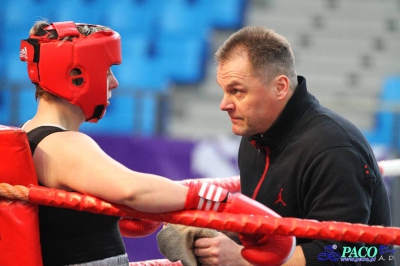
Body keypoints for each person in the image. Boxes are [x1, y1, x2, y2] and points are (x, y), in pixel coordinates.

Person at [18, 21, 296, 266]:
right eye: (106, 71)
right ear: (77, 74)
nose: (114, 83)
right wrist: (218, 202)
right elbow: (132, 191)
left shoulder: (32, 134)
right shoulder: (62, 143)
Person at [159, 26, 394, 265]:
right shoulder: (255, 136)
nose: (224, 104)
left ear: (280, 87)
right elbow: (272, 226)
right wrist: (216, 230)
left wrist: (243, 260)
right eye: (224, 91)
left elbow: (348, 254)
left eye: (237, 91)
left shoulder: (334, 148)